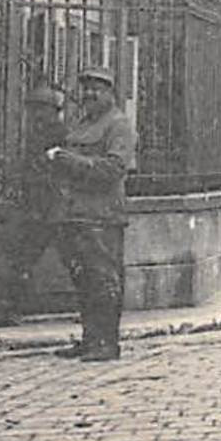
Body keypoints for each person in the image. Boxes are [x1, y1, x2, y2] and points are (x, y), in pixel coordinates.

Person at [49, 67, 138, 361]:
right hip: (74, 214)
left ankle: (107, 344)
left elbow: (112, 169)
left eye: (97, 88)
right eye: (86, 88)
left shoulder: (118, 125)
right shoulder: (83, 123)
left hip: (102, 217)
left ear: (110, 93)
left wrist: (68, 160)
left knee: (104, 281)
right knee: (83, 281)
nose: (89, 94)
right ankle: (90, 340)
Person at [0, 83, 71, 325]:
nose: (36, 114)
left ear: (54, 110)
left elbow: (60, 170)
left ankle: (91, 308)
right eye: (32, 108)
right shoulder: (36, 134)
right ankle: (9, 309)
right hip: (37, 207)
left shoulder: (62, 134)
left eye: (41, 108)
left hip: (55, 208)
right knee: (22, 258)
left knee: (75, 259)